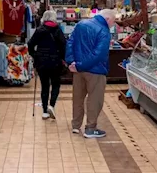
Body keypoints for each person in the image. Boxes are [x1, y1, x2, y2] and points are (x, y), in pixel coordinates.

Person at [66, 9, 116, 138]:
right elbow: (98, 55)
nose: (113, 24)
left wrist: (72, 62)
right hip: (96, 71)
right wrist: (81, 65)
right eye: (114, 21)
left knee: (78, 98)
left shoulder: (81, 24)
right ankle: (90, 128)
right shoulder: (104, 32)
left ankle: (76, 126)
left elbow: (70, 43)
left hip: (78, 70)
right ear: (108, 19)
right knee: (95, 99)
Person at [28, 10, 66, 120]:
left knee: (44, 86)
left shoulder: (39, 30)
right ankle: (52, 105)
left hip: (42, 62)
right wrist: (63, 58)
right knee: (56, 84)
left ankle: (44, 111)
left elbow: (30, 44)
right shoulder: (58, 30)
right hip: (55, 62)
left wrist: (35, 55)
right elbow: (63, 45)